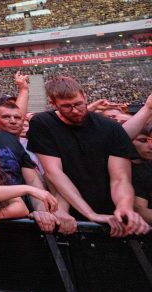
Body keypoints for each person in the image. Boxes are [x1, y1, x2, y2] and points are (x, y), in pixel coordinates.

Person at [27, 76, 149, 237]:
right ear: (53, 103)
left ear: (84, 96)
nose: (75, 110)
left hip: (109, 211)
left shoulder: (110, 127)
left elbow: (120, 178)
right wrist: (90, 213)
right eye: (66, 107)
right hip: (69, 211)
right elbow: (54, 173)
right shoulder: (43, 123)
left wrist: (124, 206)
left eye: (78, 104)